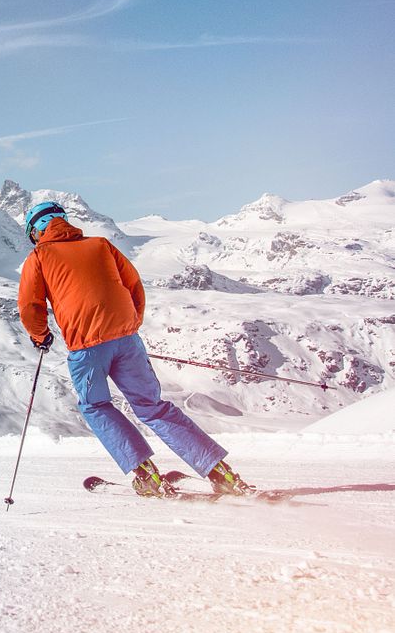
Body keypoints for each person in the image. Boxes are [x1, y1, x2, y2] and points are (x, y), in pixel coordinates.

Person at [17, 201, 253, 498]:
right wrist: (128, 325)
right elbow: (134, 285)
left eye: (33, 234)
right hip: (127, 340)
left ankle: (146, 475)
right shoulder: (101, 245)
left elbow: (29, 304)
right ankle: (222, 474)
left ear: (38, 230)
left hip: (87, 348)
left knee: (95, 406)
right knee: (152, 406)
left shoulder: (40, 255)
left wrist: (40, 336)